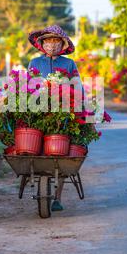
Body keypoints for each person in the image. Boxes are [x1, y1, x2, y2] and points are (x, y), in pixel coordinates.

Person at [28, 24, 81, 212]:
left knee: (62, 152)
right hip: (38, 111)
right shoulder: (35, 63)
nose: (52, 44)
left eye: (55, 40)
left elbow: (77, 86)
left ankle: (57, 197)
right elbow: (27, 86)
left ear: (62, 44)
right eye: (48, 40)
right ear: (42, 43)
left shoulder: (69, 64)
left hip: (63, 113)